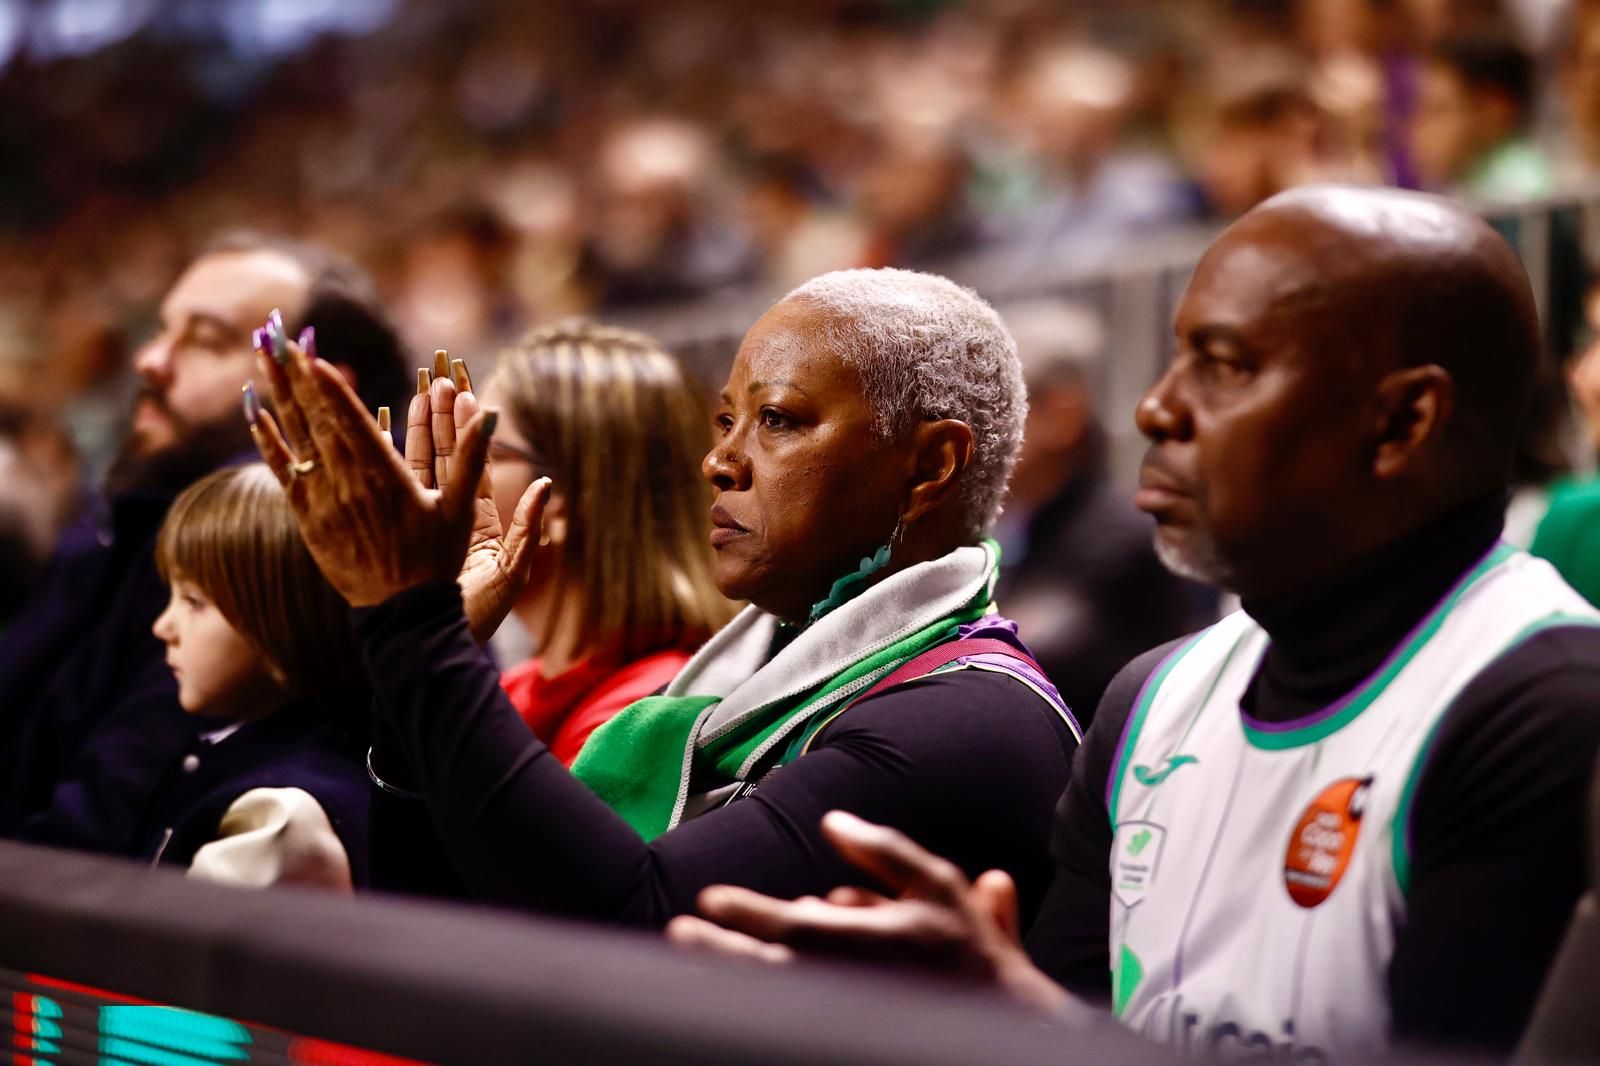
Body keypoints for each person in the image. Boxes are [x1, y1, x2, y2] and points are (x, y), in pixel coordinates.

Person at [668, 186, 1600, 1061]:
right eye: (1177, 354)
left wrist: (1025, 1021)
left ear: (1402, 422)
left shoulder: (1546, 707)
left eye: (1224, 365)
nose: (1158, 407)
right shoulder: (1152, 698)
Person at [250, 268, 1081, 928]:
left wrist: (414, 625)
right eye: (725, 422)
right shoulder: (736, 686)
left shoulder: (963, 722)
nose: (720, 461)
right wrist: (417, 668)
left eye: (780, 420)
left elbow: (629, 932)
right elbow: (435, 922)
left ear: (931, 464)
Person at [0, 234, 407, 856]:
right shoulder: (125, 518)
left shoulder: (272, 568)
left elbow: (94, 829)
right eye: (164, 330)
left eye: (207, 341)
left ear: (315, 388)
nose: (151, 361)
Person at [470, 320, 734, 764]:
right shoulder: (521, 686)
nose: (454, 472)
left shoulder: (641, 717)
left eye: (487, 453)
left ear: (562, 501)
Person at [143, 461, 370, 889]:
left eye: (193, 601)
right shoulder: (225, 745)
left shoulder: (279, 817)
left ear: (283, 621)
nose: (163, 626)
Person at [993, 299, 1212, 725]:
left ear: (1060, 413)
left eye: (993, 409)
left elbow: (1014, 666)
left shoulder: (1124, 536)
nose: (972, 434)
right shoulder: (1022, 531)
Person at [1410, 30, 1552, 200]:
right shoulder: (1464, 183)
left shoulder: (1521, 191)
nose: (1419, 126)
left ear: (1494, 112)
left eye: (1438, 110)